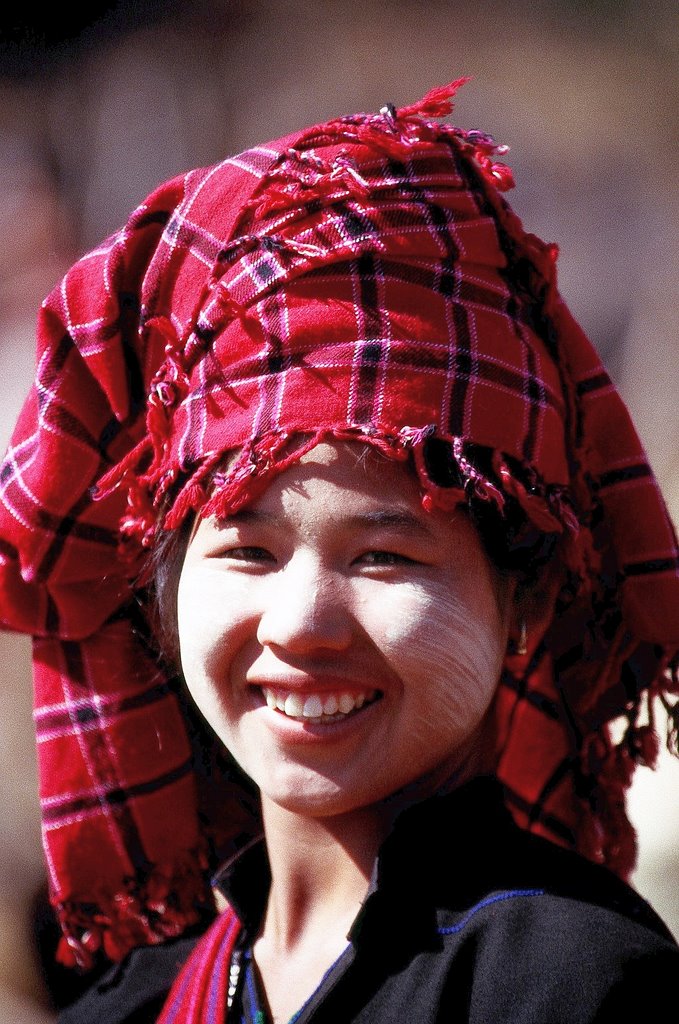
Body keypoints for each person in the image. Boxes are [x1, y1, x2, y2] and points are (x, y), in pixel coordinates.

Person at [1, 79, 678, 1022]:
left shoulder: (570, 985)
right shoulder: (129, 1009)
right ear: (160, 597)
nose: (302, 625)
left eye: (383, 559)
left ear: (523, 600)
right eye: (246, 551)